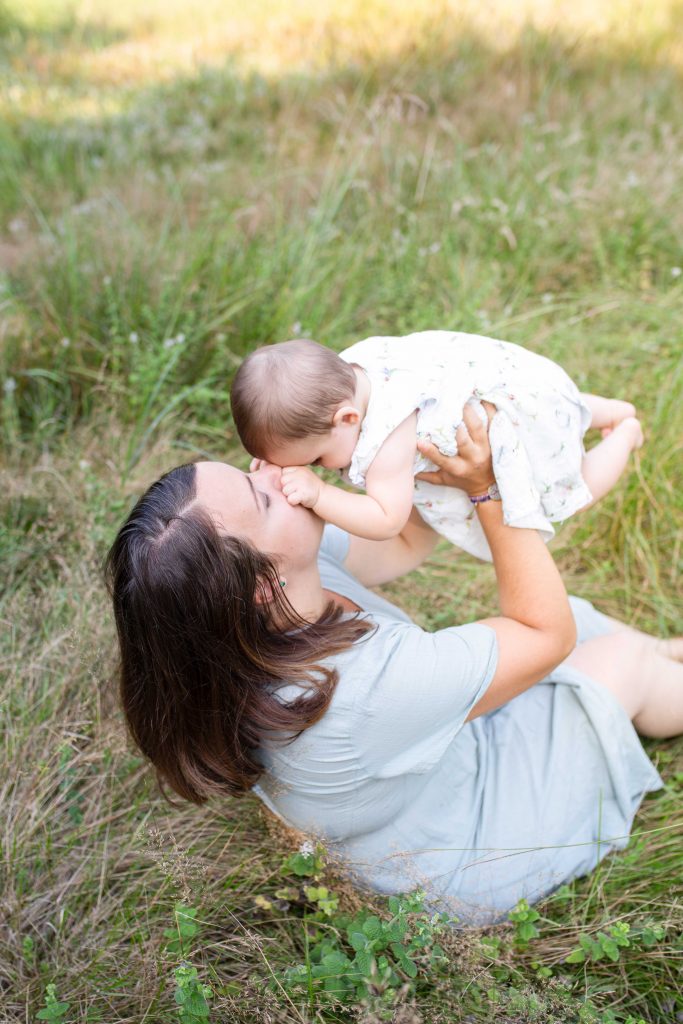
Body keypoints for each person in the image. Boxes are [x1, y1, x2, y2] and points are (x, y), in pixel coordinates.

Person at [106, 404, 680, 924]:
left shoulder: (251, 607)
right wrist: (489, 493)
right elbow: (546, 634)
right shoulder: (357, 690)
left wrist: (394, 455)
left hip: (430, 770)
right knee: (616, 660)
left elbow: (404, 538)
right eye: (261, 496)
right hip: (473, 846)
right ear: (260, 583)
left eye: (249, 468)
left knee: (583, 621)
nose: (272, 470)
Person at [230, 333, 644, 560]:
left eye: (317, 459)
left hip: (508, 431)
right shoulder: (353, 369)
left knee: (572, 488)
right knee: (556, 413)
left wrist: (321, 494)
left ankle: (624, 435)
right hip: (523, 390)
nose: (318, 467)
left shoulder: (388, 440)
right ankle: (609, 410)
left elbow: (387, 519)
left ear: (348, 420)